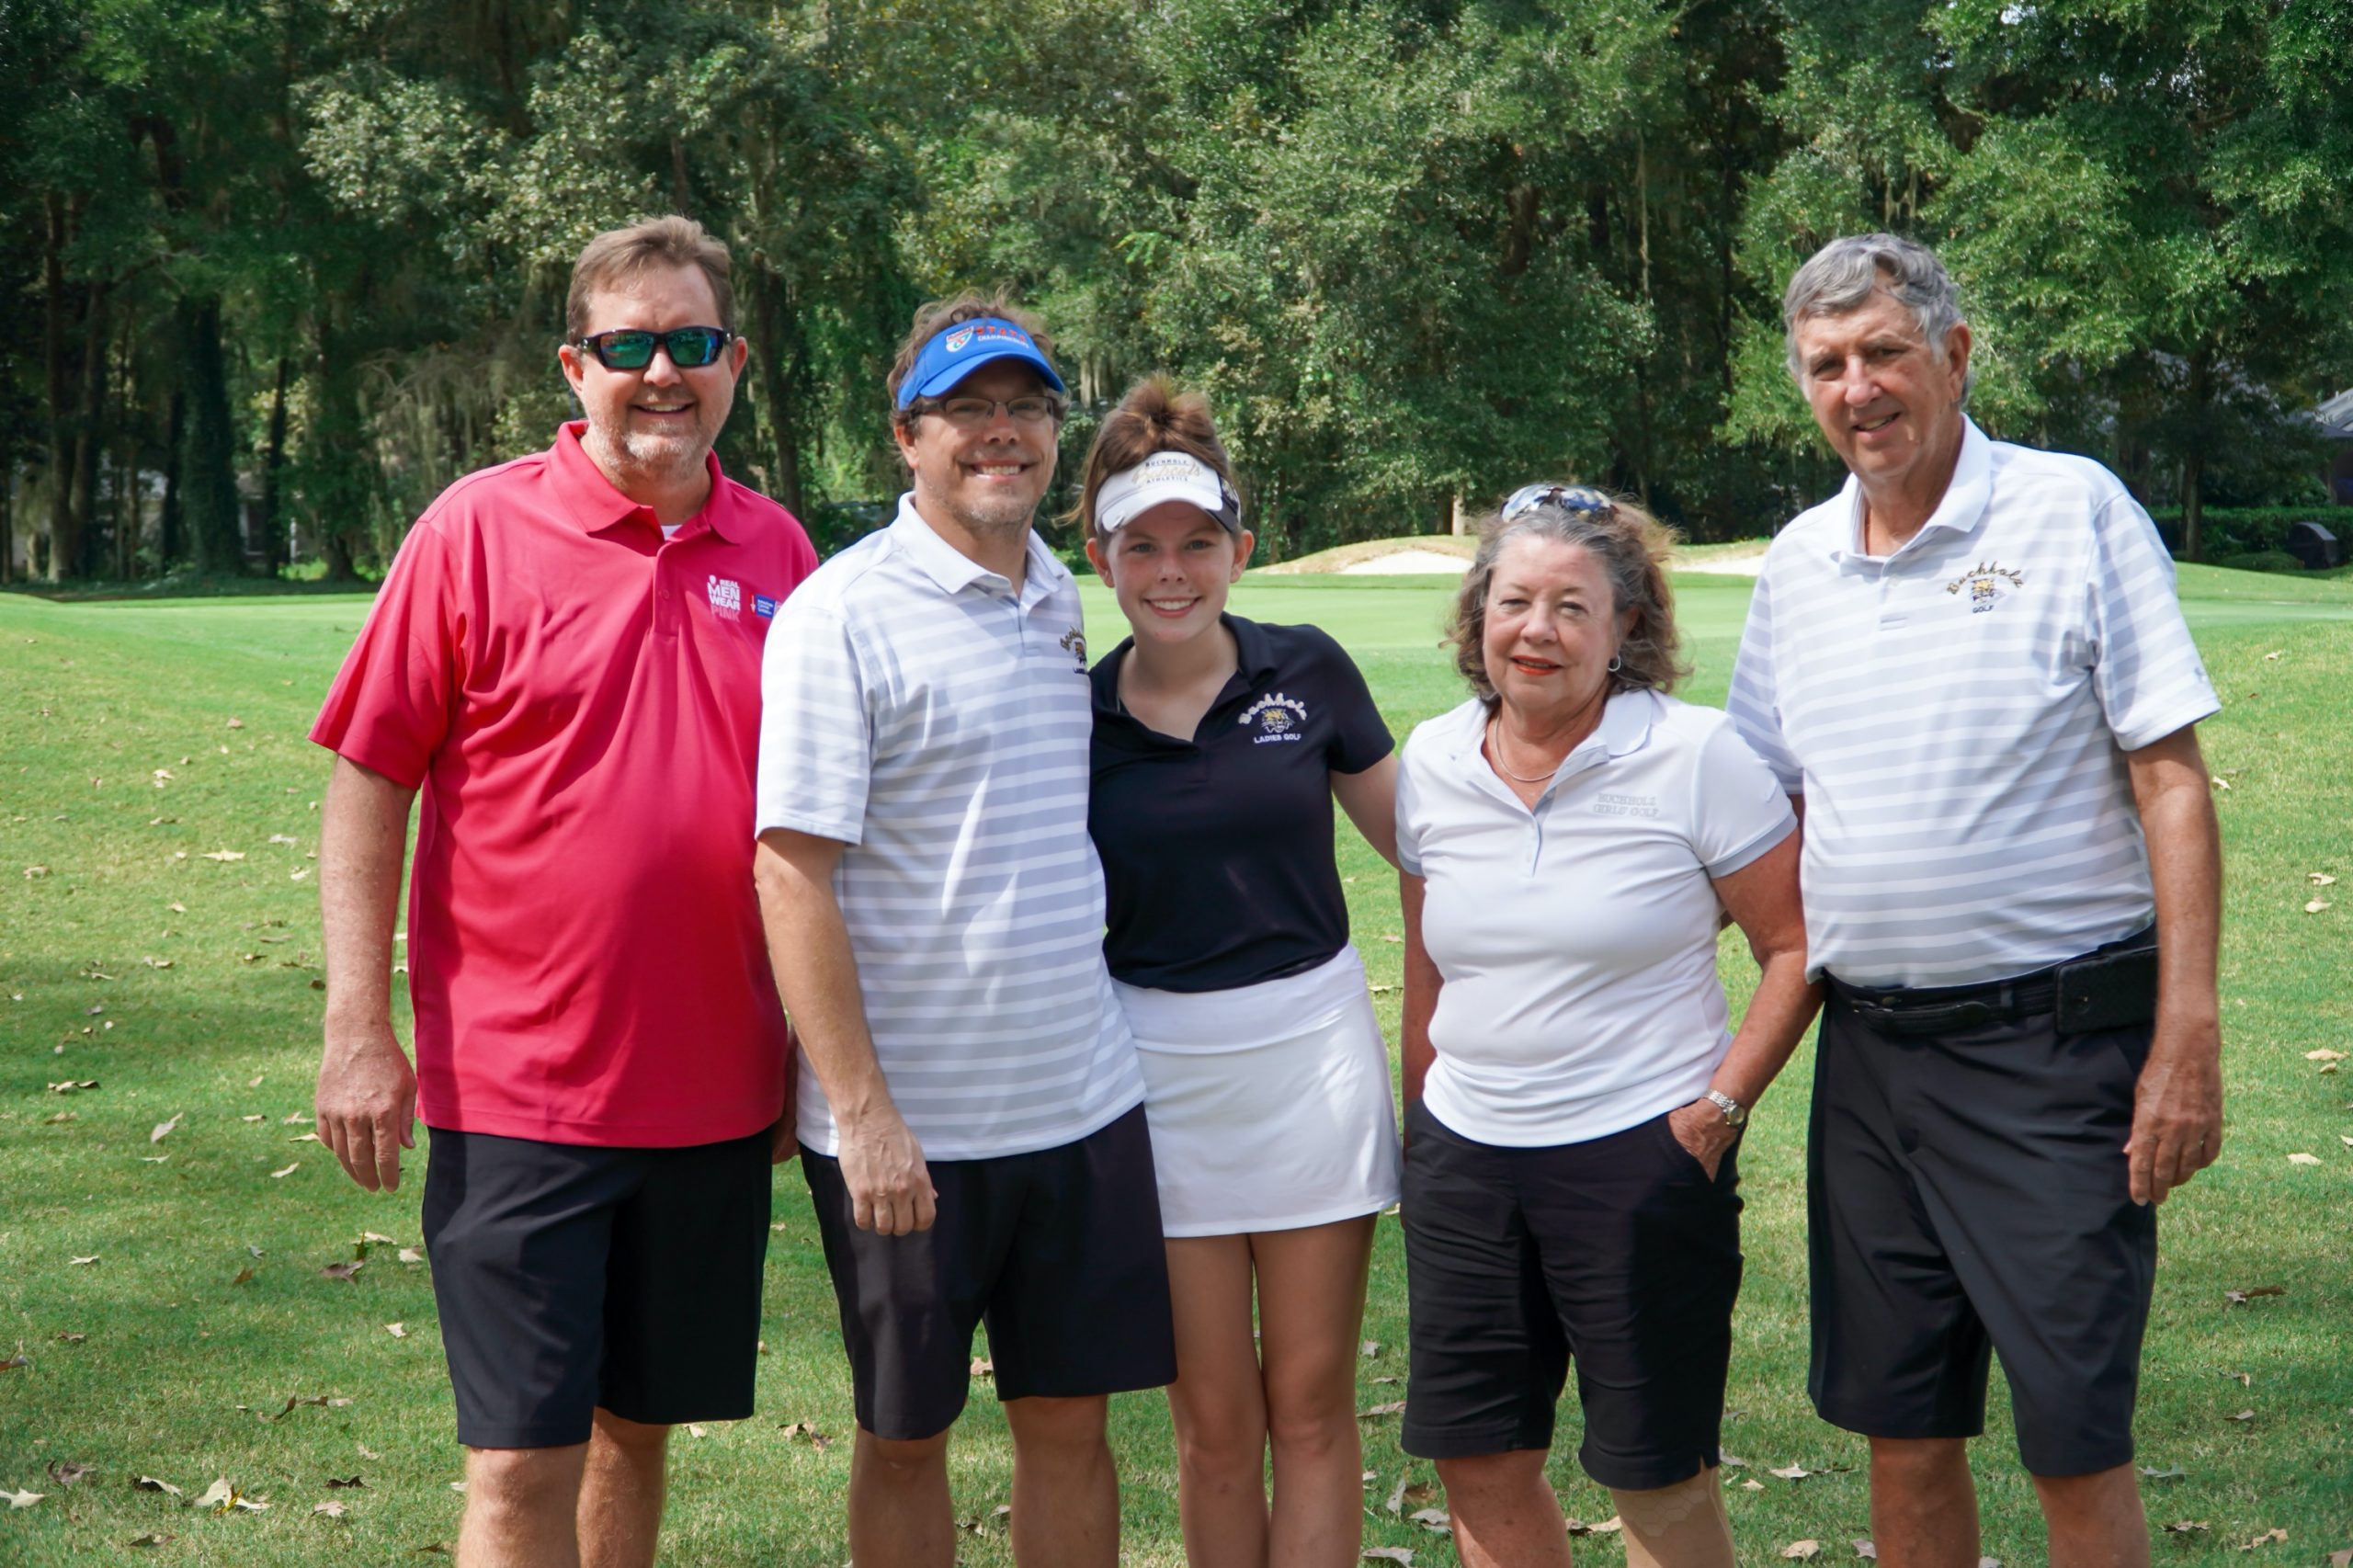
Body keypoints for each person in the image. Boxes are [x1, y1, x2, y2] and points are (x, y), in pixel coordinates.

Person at [310, 215, 817, 1568]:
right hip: (522, 1087)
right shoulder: (475, 529)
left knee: (635, 1432)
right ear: (573, 366)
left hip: (714, 1091)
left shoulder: (781, 555)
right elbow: (369, 777)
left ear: (735, 360)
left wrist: (805, 1052)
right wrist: (360, 1029)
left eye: (691, 343)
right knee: (520, 1459)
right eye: (628, 345)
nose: (663, 371)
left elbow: (818, 830)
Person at [1726, 233, 2226, 1568]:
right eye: (1827, 365)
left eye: (1886, 351)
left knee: (2073, 1433)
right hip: (1871, 1061)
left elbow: (2170, 776)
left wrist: (2188, 1032)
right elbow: (1762, 815)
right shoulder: (1795, 566)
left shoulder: (2070, 509)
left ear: (1953, 355)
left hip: (2054, 1054)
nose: (1859, 387)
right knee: (1903, 1430)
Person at [751, 292, 1175, 1568]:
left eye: (1027, 407)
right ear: (908, 436)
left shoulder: (1060, 595)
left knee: (1069, 1424)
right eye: (968, 411)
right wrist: (863, 1112)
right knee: (905, 1436)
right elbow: (791, 873)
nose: (1003, 434)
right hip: (910, 1132)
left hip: (1080, 1102)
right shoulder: (844, 611)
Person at [1393, 485, 1817, 1568]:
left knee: (1656, 1474)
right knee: (1479, 1463)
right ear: (1478, 612)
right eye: (1514, 599)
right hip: (1467, 1160)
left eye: (1572, 607)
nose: (1537, 629)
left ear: (1626, 624)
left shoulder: (1695, 755)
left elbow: (1792, 944)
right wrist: (1421, 1132)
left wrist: (1719, 1109)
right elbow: (1427, 963)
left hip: (1638, 1156)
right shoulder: (1432, 759)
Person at [1075, 377, 1403, 1568]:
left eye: (1197, 542)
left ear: (1239, 548)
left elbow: (1426, 841)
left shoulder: (1305, 671)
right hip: (1154, 1082)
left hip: (1309, 1062)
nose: (1172, 570)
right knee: (1213, 1426)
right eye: (1142, 545)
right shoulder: (1076, 715)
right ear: (1100, 556)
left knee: (1311, 1410)